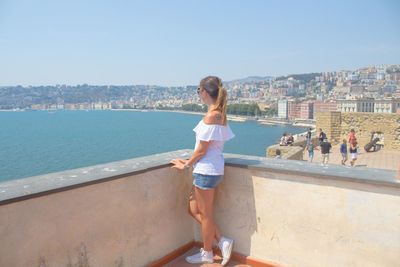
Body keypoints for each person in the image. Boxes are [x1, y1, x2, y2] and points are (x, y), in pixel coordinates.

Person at [170, 76, 235, 265]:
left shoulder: (211, 116)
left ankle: (207, 252)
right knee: (193, 209)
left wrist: (186, 164)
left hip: (206, 171)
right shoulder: (219, 114)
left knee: (206, 215)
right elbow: (205, 148)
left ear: (205, 92)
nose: (198, 95)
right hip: (209, 170)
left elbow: (201, 150)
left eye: (198, 91)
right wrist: (190, 161)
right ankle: (222, 240)